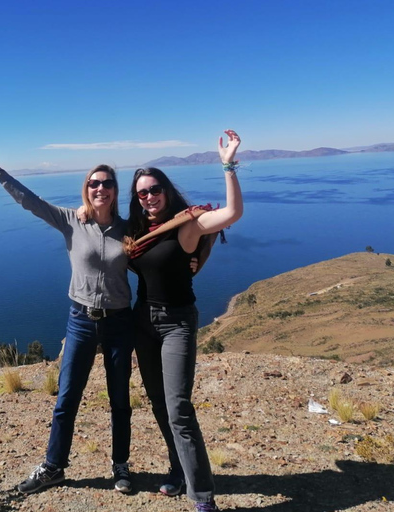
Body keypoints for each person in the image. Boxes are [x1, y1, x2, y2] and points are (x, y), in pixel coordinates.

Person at [0, 139, 135, 494]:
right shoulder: (71, 221)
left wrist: (194, 257)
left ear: (115, 191)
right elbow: (30, 202)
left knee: (120, 399)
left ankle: (121, 466)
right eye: (94, 183)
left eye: (107, 183)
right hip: (80, 320)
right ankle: (53, 466)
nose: (100, 189)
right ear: (86, 189)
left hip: (119, 322)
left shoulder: (129, 229)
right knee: (66, 399)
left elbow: (163, 243)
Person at [126, 130, 243, 512]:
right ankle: (179, 469)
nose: (149, 197)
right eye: (142, 192)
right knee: (159, 403)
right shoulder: (137, 231)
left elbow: (232, 214)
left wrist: (228, 165)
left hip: (177, 323)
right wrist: (81, 211)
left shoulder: (187, 224)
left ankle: (203, 496)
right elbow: (100, 225)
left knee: (179, 408)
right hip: (142, 321)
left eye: (154, 189)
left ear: (166, 189)